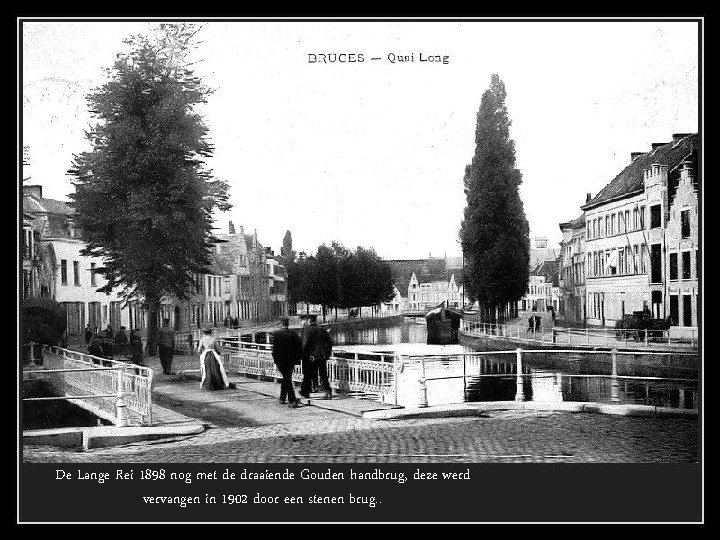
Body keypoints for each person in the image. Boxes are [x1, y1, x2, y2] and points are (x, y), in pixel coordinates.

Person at [300, 315, 333, 399]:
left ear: (309, 321)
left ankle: (306, 392)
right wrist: (327, 354)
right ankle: (328, 391)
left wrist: (305, 355)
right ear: (315, 320)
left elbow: (305, 344)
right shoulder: (322, 330)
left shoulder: (307, 330)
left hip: (311, 356)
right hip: (322, 356)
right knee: (323, 374)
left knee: (308, 374)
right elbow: (329, 342)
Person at [272, 317, 302, 407]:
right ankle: (285, 398)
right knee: (287, 377)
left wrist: (276, 360)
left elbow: (275, 349)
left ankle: (290, 399)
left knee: (286, 378)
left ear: (281, 324)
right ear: (287, 324)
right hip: (291, 360)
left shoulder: (277, 334)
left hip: (281, 360)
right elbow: (299, 346)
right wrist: (297, 359)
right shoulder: (294, 334)